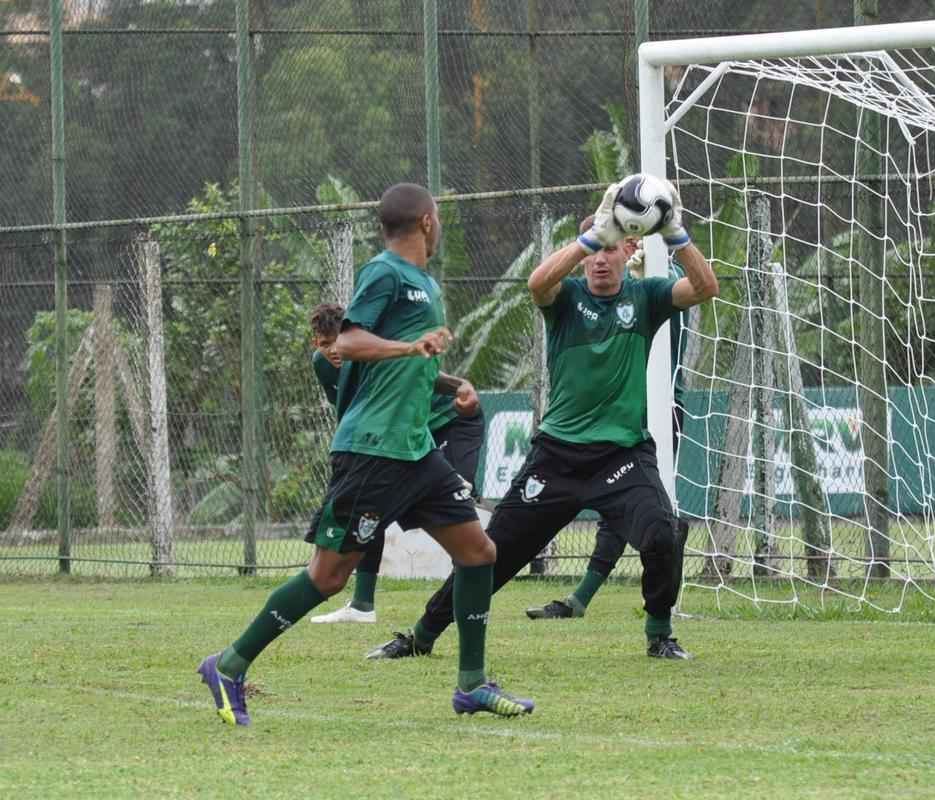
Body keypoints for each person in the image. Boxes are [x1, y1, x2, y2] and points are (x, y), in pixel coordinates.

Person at [197, 183, 534, 725]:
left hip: (416, 450)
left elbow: (402, 365)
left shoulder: (423, 283)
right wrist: (410, 346)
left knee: (478, 552)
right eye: (438, 216)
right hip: (373, 452)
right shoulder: (385, 272)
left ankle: (471, 684)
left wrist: (450, 383)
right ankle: (230, 665)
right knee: (328, 577)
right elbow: (349, 343)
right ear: (427, 221)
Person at [366, 176, 718, 662]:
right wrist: (593, 234)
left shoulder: (647, 298)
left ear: (629, 250)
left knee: (662, 531)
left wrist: (676, 231)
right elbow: (537, 283)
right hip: (557, 457)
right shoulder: (567, 298)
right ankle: (422, 637)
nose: (599, 259)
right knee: (490, 555)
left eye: (610, 250)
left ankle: (659, 633)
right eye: (593, 250)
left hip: (623, 456)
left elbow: (705, 288)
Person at [524, 240, 691, 620]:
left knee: (640, 515)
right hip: (601, 418)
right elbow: (540, 285)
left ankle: (609, 607)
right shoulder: (588, 293)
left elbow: (686, 304)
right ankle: (580, 599)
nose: (602, 258)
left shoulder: (660, 285)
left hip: (654, 412)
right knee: (617, 513)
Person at [306, 305, 488, 624]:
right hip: (400, 436)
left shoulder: (375, 353)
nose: (334, 351)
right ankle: (362, 605)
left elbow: (431, 378)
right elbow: (349, 409)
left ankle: (465, 608)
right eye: (325, 344)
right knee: (368, 505)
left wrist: (462, 385)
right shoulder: (322, 365)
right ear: (315, 344)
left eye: (338, 342)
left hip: (447, 422)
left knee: (462, 519)